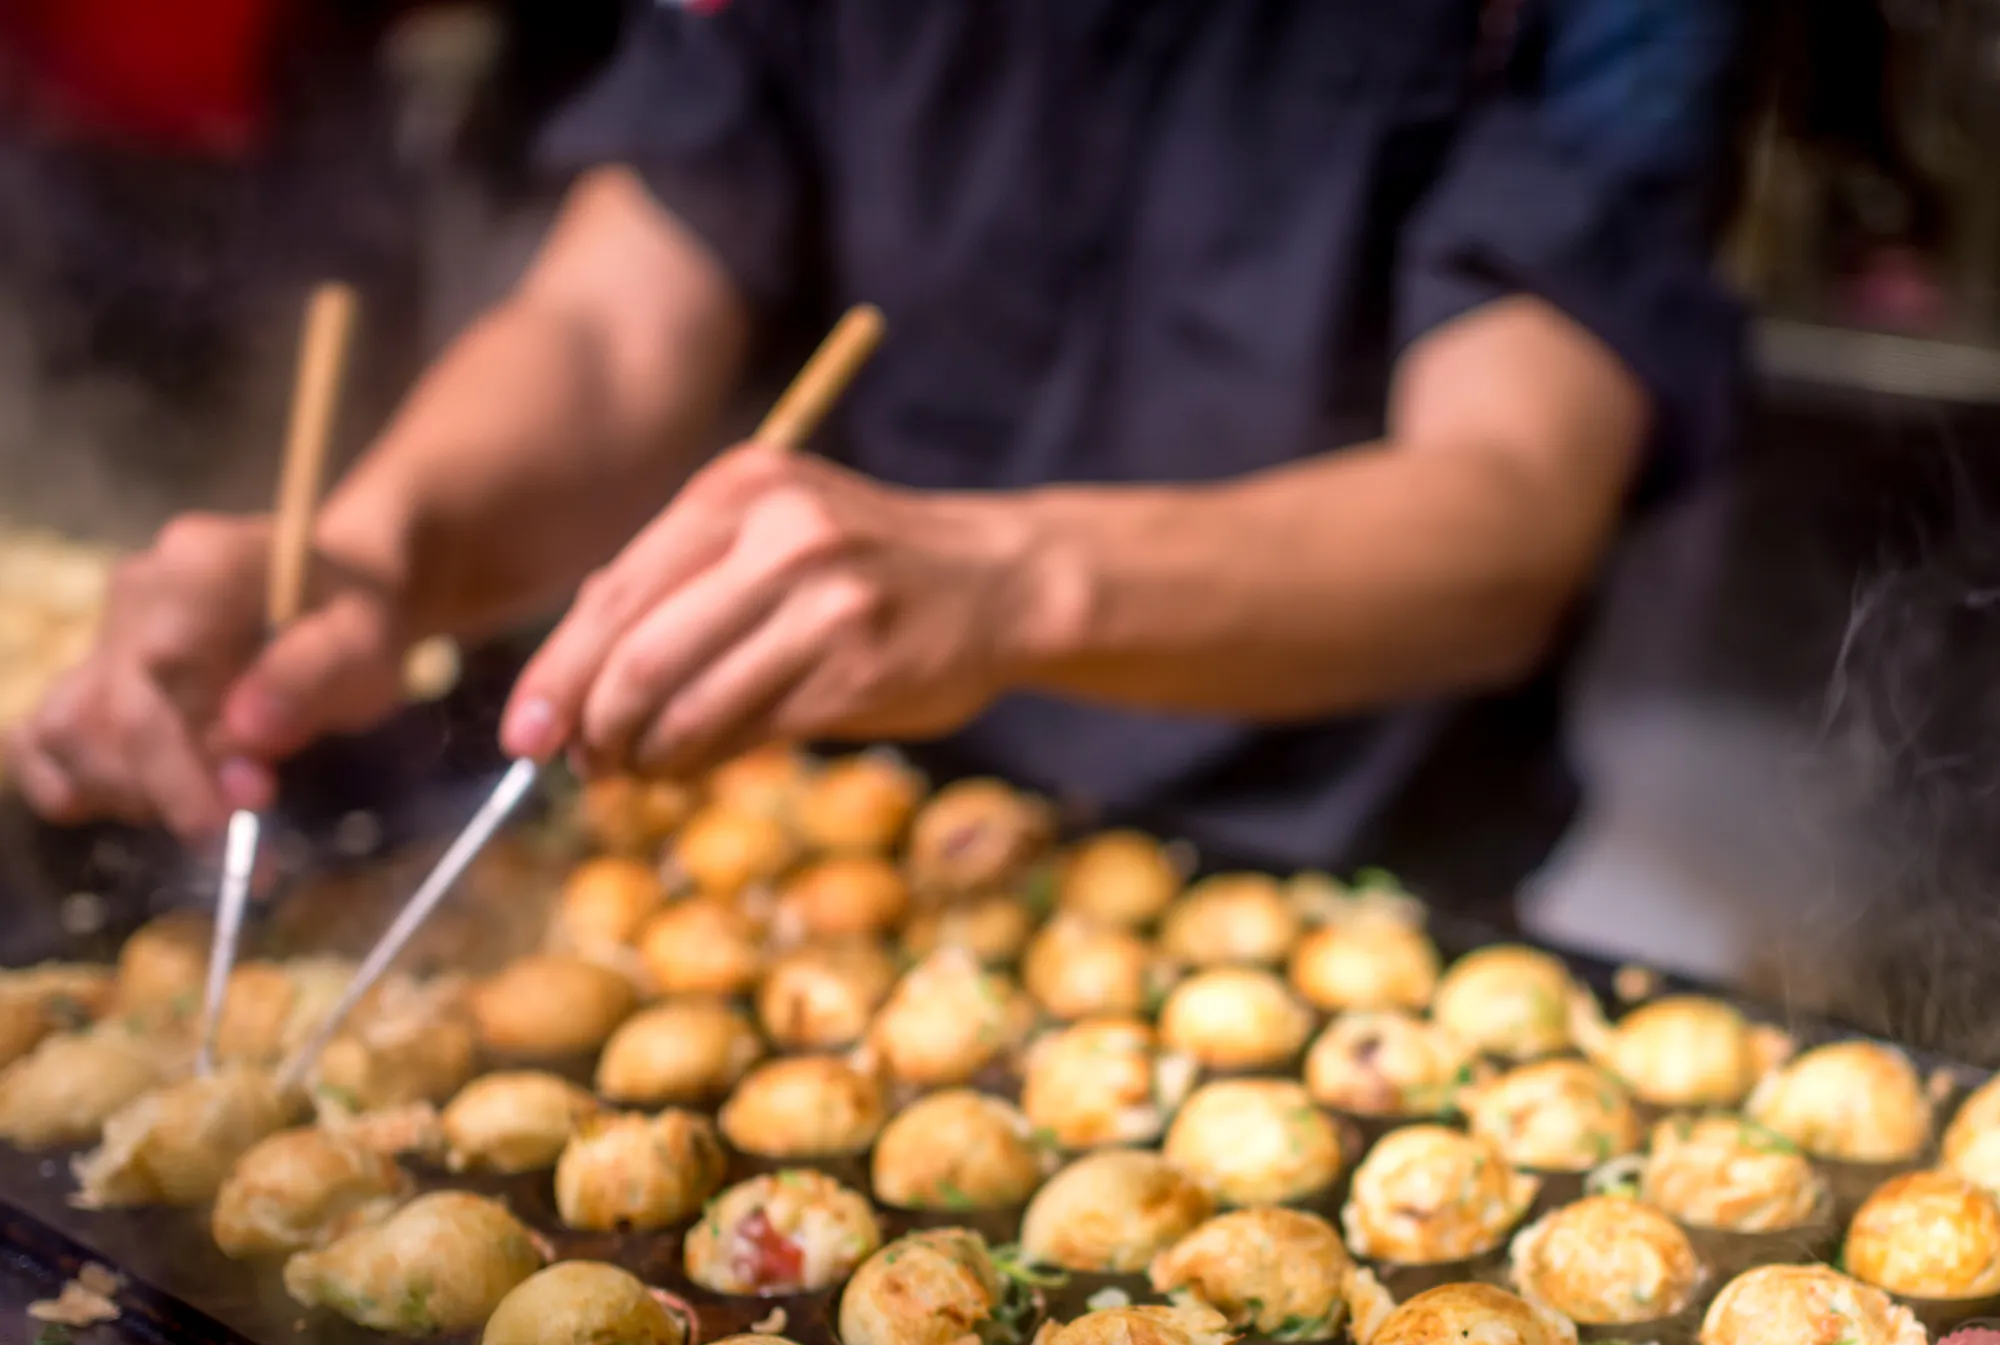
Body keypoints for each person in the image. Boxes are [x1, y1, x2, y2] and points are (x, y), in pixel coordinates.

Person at [9, 0, 1743, 896]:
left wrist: (997, 578)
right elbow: (624, 313)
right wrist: (379, 548)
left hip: (1333, 856)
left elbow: (1513, 509)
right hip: (840, 836)